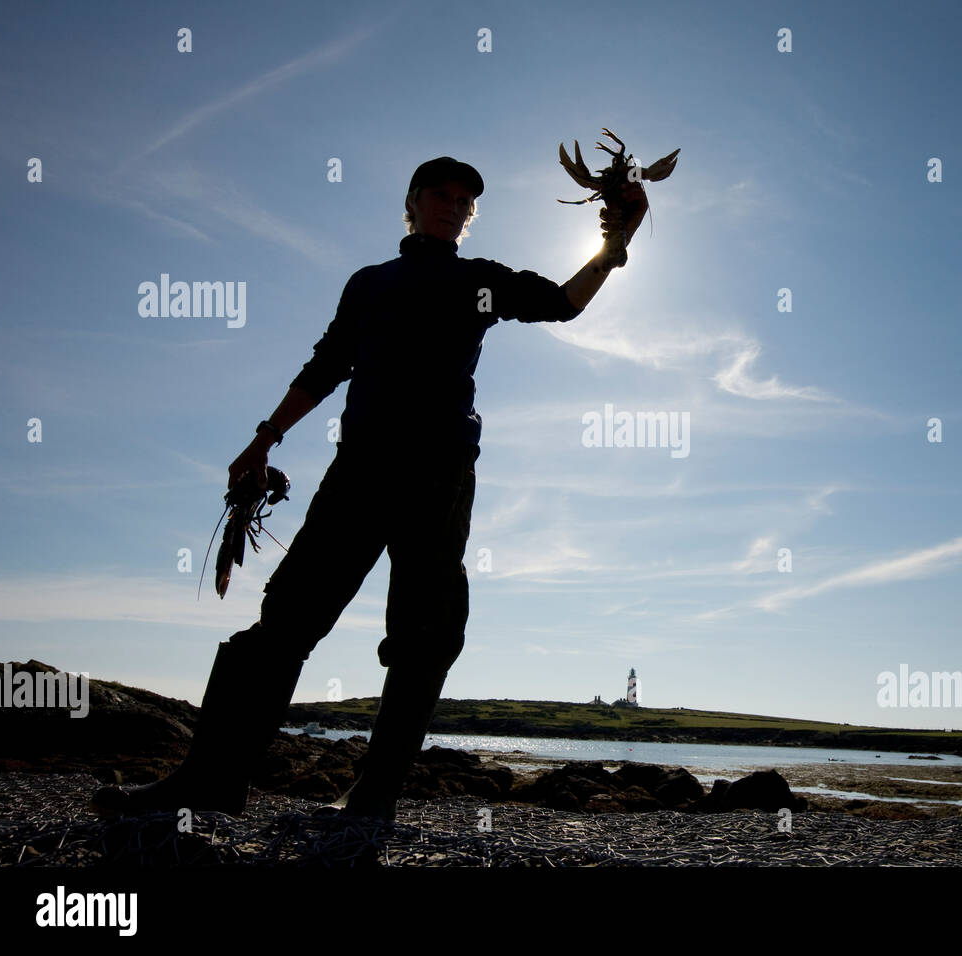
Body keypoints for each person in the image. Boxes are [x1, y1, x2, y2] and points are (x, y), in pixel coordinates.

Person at [92, 156, 648, 821]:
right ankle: (211, 777)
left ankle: (372, 797)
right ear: (412, 203)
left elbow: (561, 303)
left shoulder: (480, 282)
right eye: (440, 194)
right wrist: (265, 435)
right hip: (358, 471)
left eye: (465, 200)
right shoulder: (371, 285)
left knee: (423, 635)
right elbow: (328, 363)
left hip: (439, 476)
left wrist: (616, 247)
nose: (454, 205)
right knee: (282, 623)